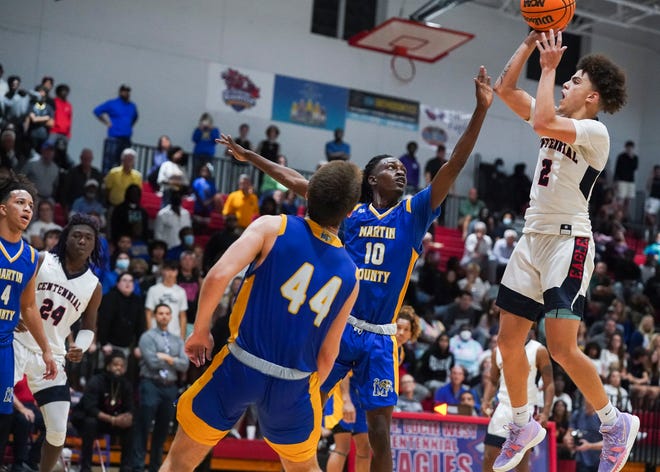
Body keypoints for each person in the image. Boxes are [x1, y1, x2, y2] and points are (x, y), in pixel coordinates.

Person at [218, 66, 492, 472]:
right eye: (391, 167)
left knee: (380, 432)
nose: (400, 170)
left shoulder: (414, 214)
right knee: (300, 408)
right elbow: (296, 181)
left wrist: (481, 111)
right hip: (338, 326)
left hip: (381, 336)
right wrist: (251, 157)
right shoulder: (350, 211)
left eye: (403, 168)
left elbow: (454, 162)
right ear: (370, 178)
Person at [491, 29, 637, 472]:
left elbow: (541, 122)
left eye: (575, 81)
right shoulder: (553, 116)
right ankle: (521, 422)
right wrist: (530, 42)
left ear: (592, 98)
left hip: (568, 241)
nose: (568, 84)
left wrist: (550, 68)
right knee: (508, 341)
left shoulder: (595, 132)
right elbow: (505, 90)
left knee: (560, 346)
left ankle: (614, 423)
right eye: (567, 78)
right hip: (531, 238)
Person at [159, 160, 362, 472]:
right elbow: (329, 352)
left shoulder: (273, 226)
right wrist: (309, 391)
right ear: (349, 213)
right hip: (294, 383)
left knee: (179, 462)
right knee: (305, 468)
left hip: (241, 364)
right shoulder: (351, 273)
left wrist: (200, 331)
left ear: (307, 195)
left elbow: (217, 276)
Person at [13, 213, 102, 472]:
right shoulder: (41, 260)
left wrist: (80, 347)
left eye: (88, 238)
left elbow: (88, 328)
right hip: (17, 342)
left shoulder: (93, 286)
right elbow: (12, 289)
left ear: (94, 244)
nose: (82, 241)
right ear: (66, 238)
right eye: (76, 235)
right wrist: (10, 313)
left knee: (57, 430)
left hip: (50, 356)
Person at [0, 173, 57, 467]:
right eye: (20, 202)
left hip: (4, 347)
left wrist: (46, 349)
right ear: (2, 208)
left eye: (31, 206)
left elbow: (30, 307)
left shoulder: (31, 256)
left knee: (3, 416)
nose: (27, 209)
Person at [482, 334, 554, 472]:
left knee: (521, 463)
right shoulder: (497, 350)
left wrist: (546, 412)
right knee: (489, 456)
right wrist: (486, 401)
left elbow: (549, 383)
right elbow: (492, 380)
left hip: (527, 408)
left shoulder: (539, 350)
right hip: (503, 406)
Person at [133, 303, 189, 472]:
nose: (164, 316)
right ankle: (137, 467)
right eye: (160, 313)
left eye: (167, 313)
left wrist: (165, 357)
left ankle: (156, 468)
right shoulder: (147, 337)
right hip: (151, 384)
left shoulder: (177, 340)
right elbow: (151, 362)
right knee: (143, 427)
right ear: (155, 316)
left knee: (163, 430)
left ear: (171, 316)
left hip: (169, 387)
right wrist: (173, 360)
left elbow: (185, 365)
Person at [71, 350, 134, 472]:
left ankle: (126, 468)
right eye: (116, 364)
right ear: (108, 365)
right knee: (90, 423)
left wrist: (128, 417)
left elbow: (130, 407)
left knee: (131, 427)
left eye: (122, 366)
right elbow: (90, 408)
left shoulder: (126, 384)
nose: (118, 368)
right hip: (92, 419)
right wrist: (113, 419)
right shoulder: (97, 381)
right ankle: (85, 467)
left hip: (113, 422)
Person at [93, 84, 139, 174]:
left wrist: (128, 126)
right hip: (114, 137)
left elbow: (135, 117)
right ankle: (106, 179)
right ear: (120, 92)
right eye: (124, 91)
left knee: (124, 162)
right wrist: (107, 123)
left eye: (128, 91)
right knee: (109, 161)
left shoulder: (132, 106)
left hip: (126, 138)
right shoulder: (112, 103)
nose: (126, 93)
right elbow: (97, 111)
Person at [613, 140, 638, 220]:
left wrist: (631, 157)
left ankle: (624, 217)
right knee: (620, 200)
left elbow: (635, 167)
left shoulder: (635, 157)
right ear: (626, 147)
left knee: (628, 201)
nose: (629, 149)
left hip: (630, 182)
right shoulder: (621, 156)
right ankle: (618, 217)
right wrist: (615, 181)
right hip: (621, 181)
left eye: (631, 148)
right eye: (628, 147)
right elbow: (617, 169)